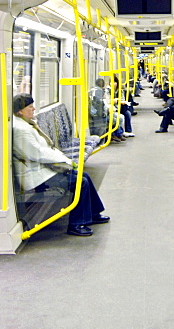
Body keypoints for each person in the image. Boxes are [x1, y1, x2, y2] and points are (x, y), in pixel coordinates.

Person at [11, 94, 110, 236]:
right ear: (20, 111)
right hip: (36, 177)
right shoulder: (21, 130)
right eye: (30, 106)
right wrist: (65, 160)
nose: (33, 109)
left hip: (42, 169)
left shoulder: (26, 124)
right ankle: (77, 224)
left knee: (84, 175)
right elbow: (37, 153)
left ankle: (93, 213)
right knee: (80, 182)